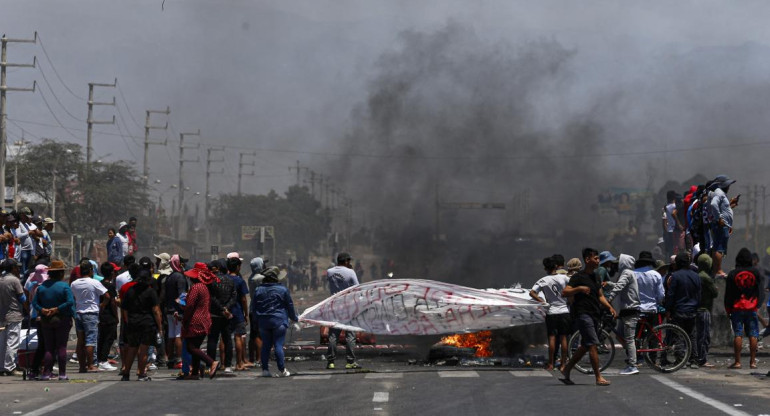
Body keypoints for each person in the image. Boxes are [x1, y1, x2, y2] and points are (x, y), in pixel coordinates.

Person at [559, 248, 616, 387]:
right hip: (583, 315)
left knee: (585, 345)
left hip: (595, 314)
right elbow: (565, 292)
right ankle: (598, 377)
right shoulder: (578, 277)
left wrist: (609, 307)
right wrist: (579, 289)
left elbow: (600, 295)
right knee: (592, 345)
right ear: (587, 260)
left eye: (598, 258)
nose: (597, 260)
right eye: (595, 258)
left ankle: (566, 369)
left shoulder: (596, 276)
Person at [252, 266, 299, 377]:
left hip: (263, 322)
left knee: (266, 346)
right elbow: (290, 305)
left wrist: (256, 321)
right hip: (279, 321)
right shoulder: (282, 289)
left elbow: (254, 307)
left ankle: (265, 370)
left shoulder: (258, 290)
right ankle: (282, 369)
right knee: (278, 345)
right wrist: (294, 318)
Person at [31, 260, 74, 381]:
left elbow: (34, 303)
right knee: (61, 347)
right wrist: (57, 309)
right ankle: (62, 374)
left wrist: (43, 310)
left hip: (46, 319)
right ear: (61, 273)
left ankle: (46, 373)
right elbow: (70, 302)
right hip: (62, 319)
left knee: (49, 348)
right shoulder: (64, 286)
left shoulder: (42, 287)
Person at [529, 256, 571, 372]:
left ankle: (551, 364)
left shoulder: (543, 280)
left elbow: (532, 293)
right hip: (565, 311)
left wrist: (542, 301)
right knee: (563, 338)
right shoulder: (564, 278)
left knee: (552, 338)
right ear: (556, 266)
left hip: (551, 311)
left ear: (546, 268)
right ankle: (563, 364)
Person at [120, 268, 162, 381]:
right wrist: (160, 327)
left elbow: (124, 309)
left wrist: (128, 321)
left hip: (133, 322)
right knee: (144, 349)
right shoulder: (151, 291)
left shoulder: (130, 290)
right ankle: (141, 374)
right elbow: (156, 310)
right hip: (147, 323)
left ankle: (126, 373)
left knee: (132, 349)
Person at [182, 262, 220, 380]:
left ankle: (211, 362)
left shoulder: (196, 287)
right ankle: (195, 373)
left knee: (191, 347)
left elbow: (189, 306)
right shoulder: (204, 287)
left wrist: (184, 318)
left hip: (196, 320)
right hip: (204, 319)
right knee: (196, 347)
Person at [724, 248, 761, 369]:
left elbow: (728, 294)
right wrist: (758, 305)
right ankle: (753, 362)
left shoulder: (733, 274)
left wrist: (728, 309)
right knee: (753, 334)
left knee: (738, 334)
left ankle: (738, 362)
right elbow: (760, 291)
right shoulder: (755, 273)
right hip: (751, 307)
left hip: (737, 308)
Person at [604, 254, 641, 375]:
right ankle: (631, 356)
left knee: (629, 339)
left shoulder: (626, 273)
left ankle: (633, 365)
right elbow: (620, 286)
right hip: (626, 310)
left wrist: (608, 299)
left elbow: (619, 287)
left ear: (623, 263)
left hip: (630, 310)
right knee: (620, 335)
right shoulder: (629, 273)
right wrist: (609, 284)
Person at [70, 260, 109, 373]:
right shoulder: (94, 282)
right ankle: (91, 365)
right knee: (91, 340)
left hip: (79, 313)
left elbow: (73, 297)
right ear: (91, 271)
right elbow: (107, 296)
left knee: (80, 341)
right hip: (91, 314)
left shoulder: (74, 283)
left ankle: (82, 366)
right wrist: (101, 305)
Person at [664, 252, 701, 368]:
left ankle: (681, 360)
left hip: (679, 310)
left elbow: (671, 294)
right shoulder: (696, 276)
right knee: (692, 336)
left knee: (679, 335)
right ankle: (694, 360)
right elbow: (699, 294)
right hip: (692, 310)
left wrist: (668, 309)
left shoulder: (675, 276)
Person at [326, 252, 361, 370]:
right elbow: (357, 287)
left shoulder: (330, 272)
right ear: (346, 261)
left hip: (334, 306)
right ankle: (350, 362)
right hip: (348, 306)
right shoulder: (351, 272)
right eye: (349, 261)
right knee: (350, 335)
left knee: (333, 335)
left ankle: (331, 362)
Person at [207, 259, 236, 374]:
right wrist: (226, 309)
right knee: (227, 339)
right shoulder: (230, 280)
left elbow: (211, 297)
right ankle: (228, 365)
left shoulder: (211, 281)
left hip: (215, 314)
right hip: (226, 315)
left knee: (212, 339)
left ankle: (211, 364)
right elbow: (234, 297)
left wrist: (221, 308)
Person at [225, 255, 252, 371]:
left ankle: (225, 363)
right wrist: (246, 314)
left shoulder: (224, 279)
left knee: (224, 338)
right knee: (238, 337)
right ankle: (239, 363)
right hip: (237, 311)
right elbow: (244, 299)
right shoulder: (240, 281)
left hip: (226, 312)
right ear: (237, 267)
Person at [709, 175, 739, 277]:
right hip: (721, 225)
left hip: (723, 225)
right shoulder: (719, 193)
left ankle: (717, 270)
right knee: (719, 248)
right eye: (727, 185)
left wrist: (730, 205)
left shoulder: (720, 193)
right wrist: (720, 219)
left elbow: (722, 208)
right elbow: (713, 204)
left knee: (719, 247)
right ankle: (718, 270)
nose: (729, 187)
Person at [0, 259, 25, 376]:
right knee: (12, 342)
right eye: (17, 267)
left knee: (2, 343)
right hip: (14, 315)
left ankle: (2, 367)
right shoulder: (14, 280)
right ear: (13, 268)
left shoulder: (0, 279)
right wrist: (27, 310)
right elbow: (22, 298)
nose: (19, 269)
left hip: (2, 316)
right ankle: (10, 367)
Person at [164, 254, 188, 369]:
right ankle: (179, 359)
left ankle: (170, 359)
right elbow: (182, 295)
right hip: (177, 311)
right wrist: (182, 309)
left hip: (169, 310)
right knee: (178, 335)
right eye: (182, 263)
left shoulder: (170, 276)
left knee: (171, 335)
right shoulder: (180, 277)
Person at [695, 253, 717, 368]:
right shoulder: (706, 278)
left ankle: (697, 357)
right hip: (705, 309)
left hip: (695, 309)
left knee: (697, 335)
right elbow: (715, 293)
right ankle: (702, 359)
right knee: (704, 336)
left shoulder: (696, 275)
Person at [97, 262, 119, 371]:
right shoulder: (110, 286)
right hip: (109, 315)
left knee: (102, 338)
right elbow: (113, 303)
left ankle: (100, 359)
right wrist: (116, 316)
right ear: (111, 273)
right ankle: (103, 360)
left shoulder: (100, 283)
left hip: (101, 315)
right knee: (108, 339)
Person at [247, 257, 265, 366]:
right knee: (259, 335)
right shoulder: (259, 279)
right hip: (259, 309)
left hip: (253, 308)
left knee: (253, 335)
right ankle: (259, 359)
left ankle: (252, 358)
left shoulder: (251, 277)